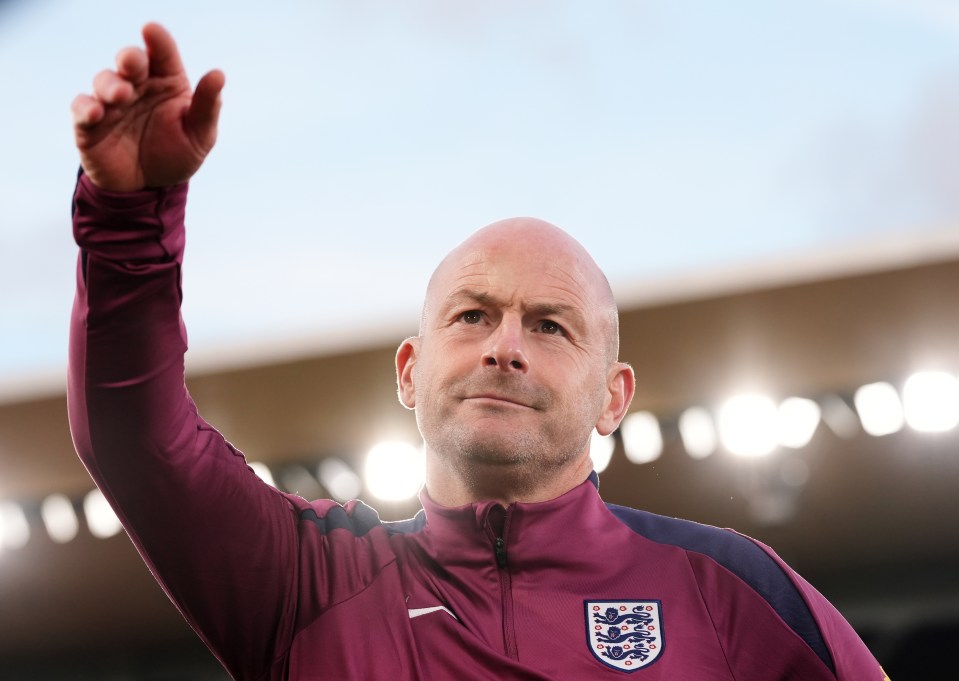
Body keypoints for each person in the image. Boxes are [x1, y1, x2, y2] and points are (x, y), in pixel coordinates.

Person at [69, 23, 889, 681]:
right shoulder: (305, 583)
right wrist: (129, 216)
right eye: (470, 316)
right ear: (409, 370)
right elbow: (142, 443)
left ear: (614, 396)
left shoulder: (731, 588)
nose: (504, 348)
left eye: (549, 325)